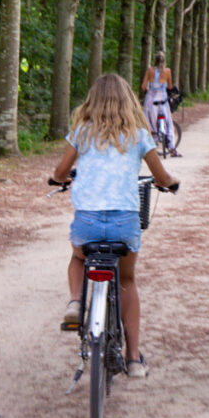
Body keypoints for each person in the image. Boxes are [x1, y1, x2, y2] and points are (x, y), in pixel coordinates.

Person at [50, 73, 179, 379]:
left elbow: (61, 171)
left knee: (78, 257)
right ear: (129, 102)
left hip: (88, 223)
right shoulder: (138, 135)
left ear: (92, 101)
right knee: (128, 280)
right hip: (124, 223)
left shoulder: (82, 132)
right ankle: (133, 359)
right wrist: (170, 183)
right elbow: (160, 176)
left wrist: (59, 180)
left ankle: (74, 302)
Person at [140, 51, 180, 157]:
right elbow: (170, 87)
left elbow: (143, 86)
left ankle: (152, 143)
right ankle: (172, 148)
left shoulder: (149, 70)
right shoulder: (168, 71)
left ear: (154, 60)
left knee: (148, 122)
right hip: (163, 100)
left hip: (151, 101)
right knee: (169, 123)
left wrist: (147, 91)